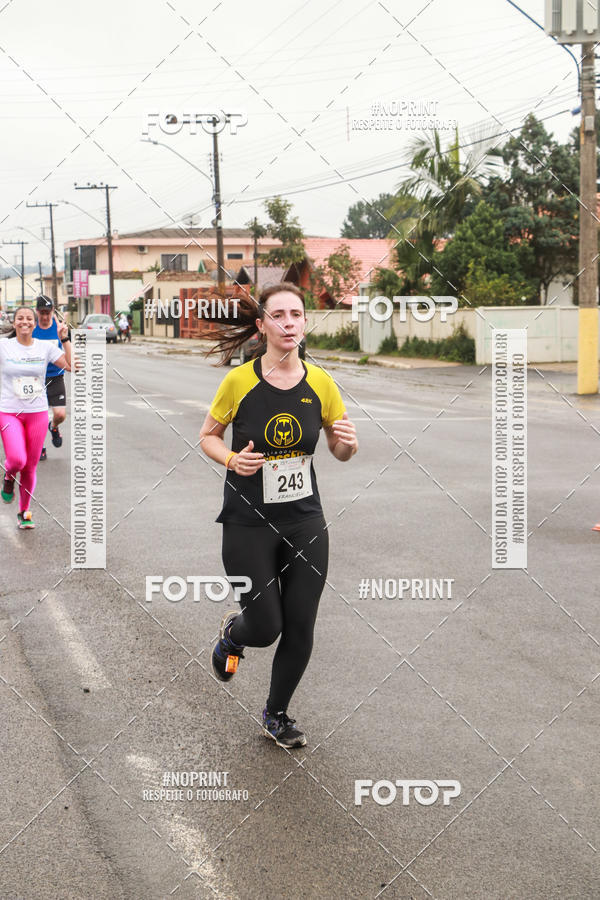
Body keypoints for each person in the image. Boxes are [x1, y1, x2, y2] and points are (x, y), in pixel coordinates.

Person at [199, 283, 358, 749]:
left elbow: (339, 449)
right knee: (266, 627)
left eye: (297, 314)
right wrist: (231, 460)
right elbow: (208, 436)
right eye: (280, 315)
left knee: (301, 623)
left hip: (305, 520)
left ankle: (277, 713)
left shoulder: (322, 383)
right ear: (262, 325)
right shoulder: (239, 382)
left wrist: (347, 442)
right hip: (247, 520)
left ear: (304, 323)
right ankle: (233, 634)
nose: (289, 322)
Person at [0, 306, 70, 528]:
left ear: (35, 323)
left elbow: (72, 366)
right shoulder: (3, 346)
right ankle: (9, 476)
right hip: (9, 411)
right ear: (14, 323)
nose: (25, 322)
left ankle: (24, 513)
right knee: (17, 460)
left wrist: (65, 339)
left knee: (30, 467)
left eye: (29, 318)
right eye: (20, 318)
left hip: (37, 413)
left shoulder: (44, 347)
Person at [32, 295, 71, 460]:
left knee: (60, 414)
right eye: (42, 312)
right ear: (37, 312)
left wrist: (65, 337)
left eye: (48, 312)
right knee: (37, 417)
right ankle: (39, 446)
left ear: (53, 311)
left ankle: (53, 427)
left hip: (55, 378)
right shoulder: (31, 329)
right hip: (35, 380)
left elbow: (70, 357)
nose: (45, 316)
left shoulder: (59, 328)